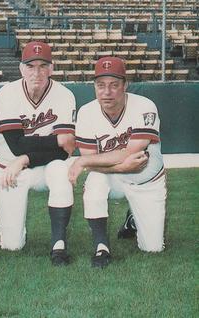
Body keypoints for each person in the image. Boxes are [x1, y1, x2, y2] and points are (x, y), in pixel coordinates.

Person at [69, 56, 166, 268]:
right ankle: (101, 247)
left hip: (145, 179)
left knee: (153, 248)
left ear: (125, 85)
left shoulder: (144, 106)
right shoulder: (86, 112)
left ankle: (133, 218)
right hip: (113, 176)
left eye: (114, 85)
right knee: (95, 182)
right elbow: (90, 159)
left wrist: (86, 162)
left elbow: (131, 152)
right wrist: (118, 167)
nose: (107, 92)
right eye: (101, 85)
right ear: (94, 86)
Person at [0, 41, 76, 266]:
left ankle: (58, 244)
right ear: (21, 69)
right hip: (8, 168)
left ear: (52, 68)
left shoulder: (65, 95)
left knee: (60, 171)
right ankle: (9, 231)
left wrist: (27, 158)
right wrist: (55, 140)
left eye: (42, 66)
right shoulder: (6, 94)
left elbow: (66, 151)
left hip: (42, 166)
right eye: (31, 66)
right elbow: (16, 145)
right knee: (12, 245)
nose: (36, 72)